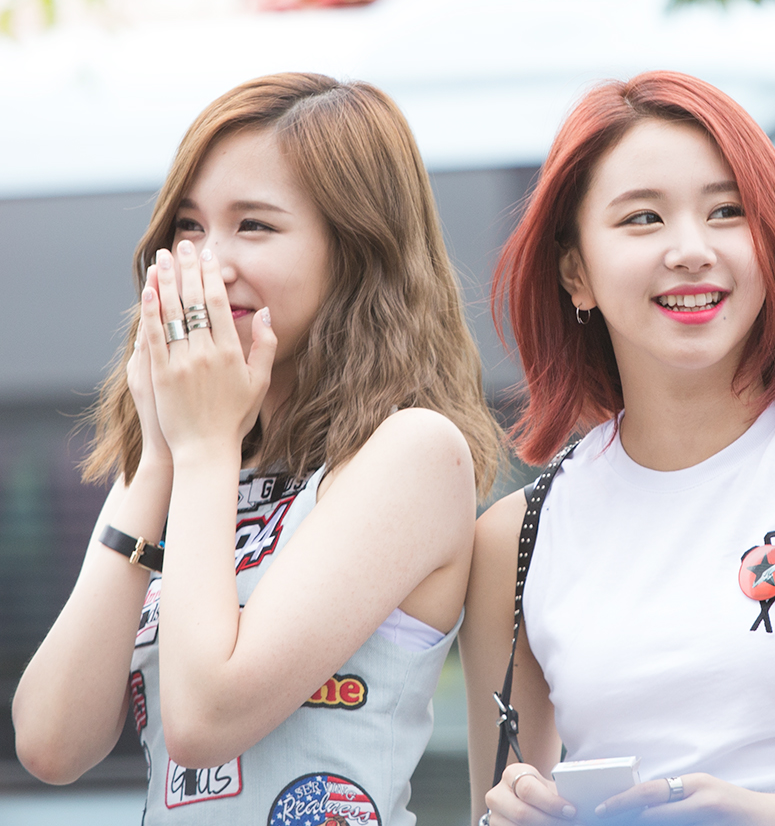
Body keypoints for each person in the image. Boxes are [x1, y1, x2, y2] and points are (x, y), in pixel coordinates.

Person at [461, 71, 775, 826]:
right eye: (642, 218)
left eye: (727, 211)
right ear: (576, 272)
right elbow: (497, 802)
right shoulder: (516, 540)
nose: (691, 250)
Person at [12, 73, 502, 825]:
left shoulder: (413, 450)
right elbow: (51, 743)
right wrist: (161, 455)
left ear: (355, 250)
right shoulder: (193, 456)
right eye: (189, 226)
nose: (208, 262)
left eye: (255, 226)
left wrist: (202, 446)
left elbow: (206, 720)